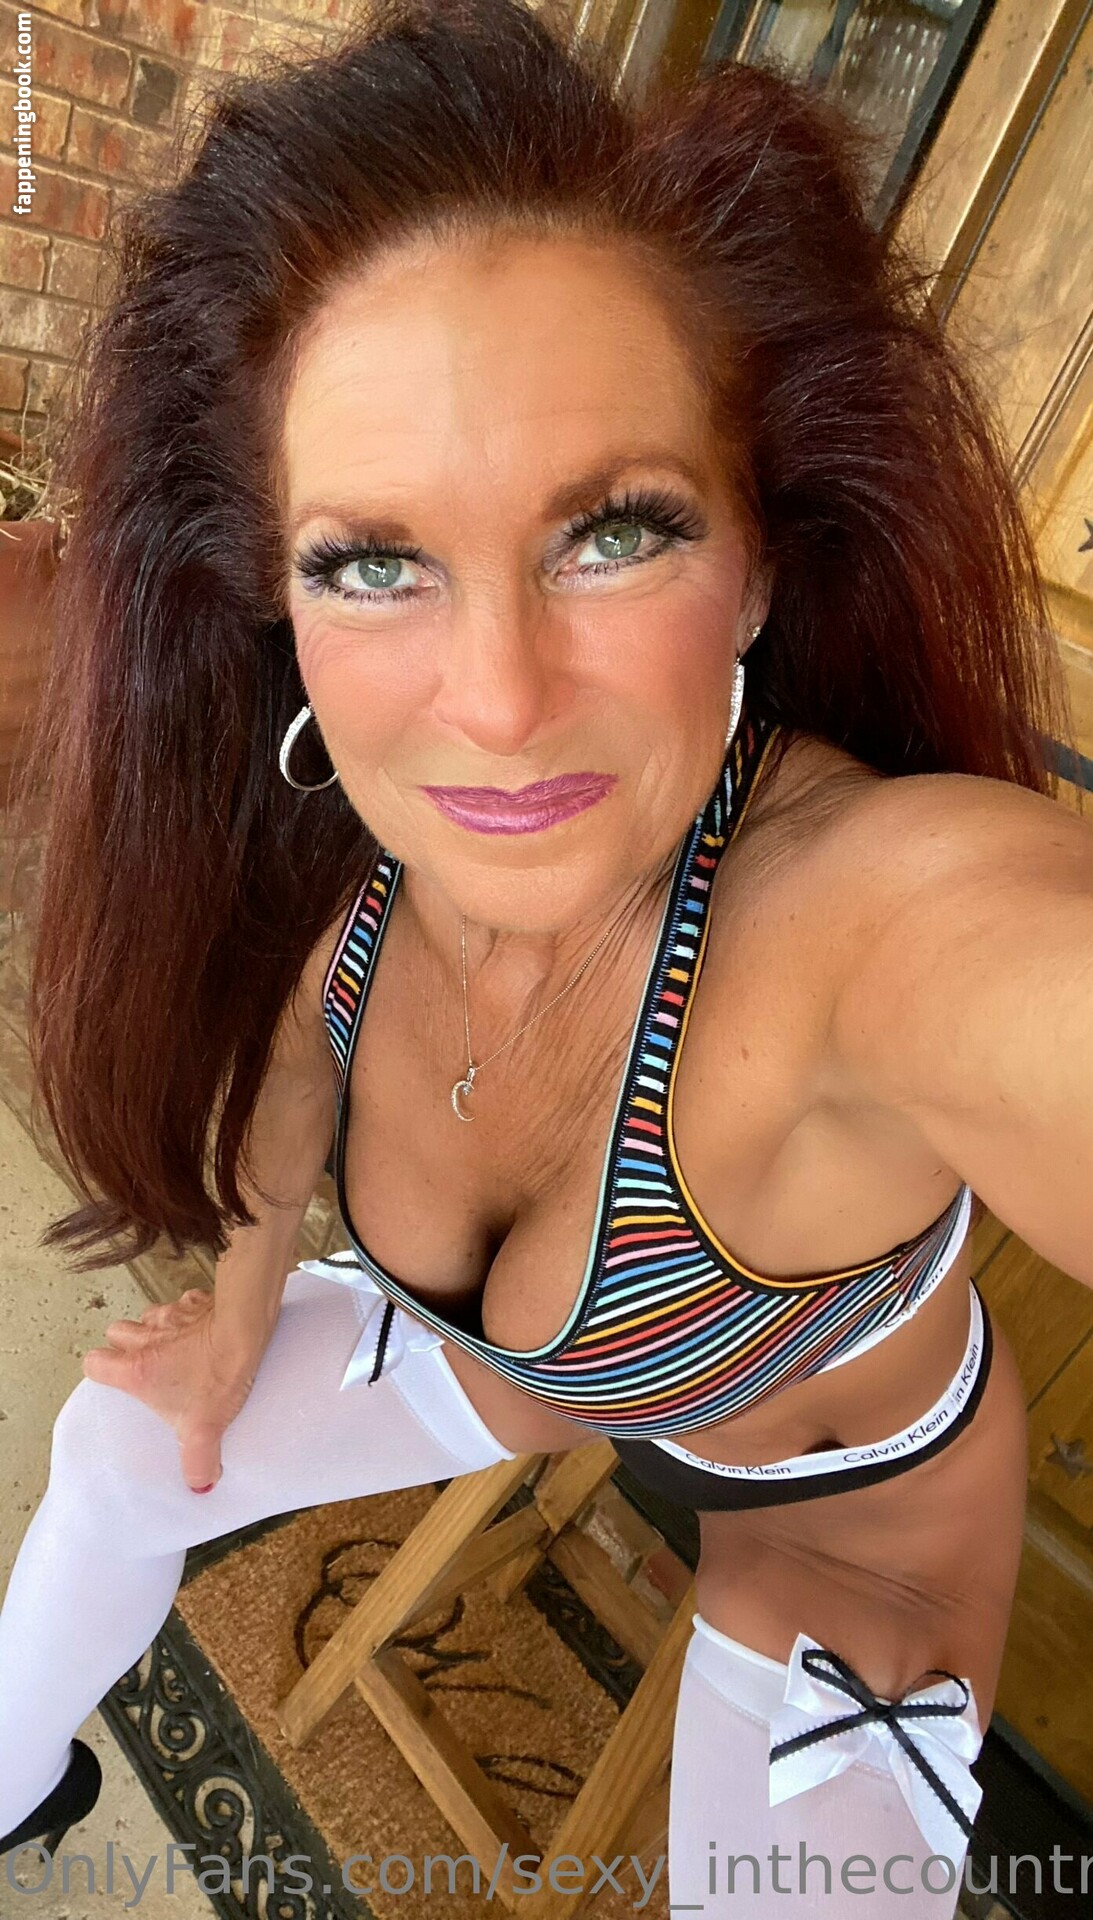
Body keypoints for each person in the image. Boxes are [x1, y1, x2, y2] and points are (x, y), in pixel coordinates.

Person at [1, 0, 1090, 1911]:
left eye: (612, 532)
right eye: (374, 563)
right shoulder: (348, 841)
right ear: (278, 603)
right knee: (119, 1443)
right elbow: (291, 1076)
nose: (495, 706)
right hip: (529, 1364)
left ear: (757, 561)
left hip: (838, 1519)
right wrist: (243, 1303)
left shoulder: (866, 919)